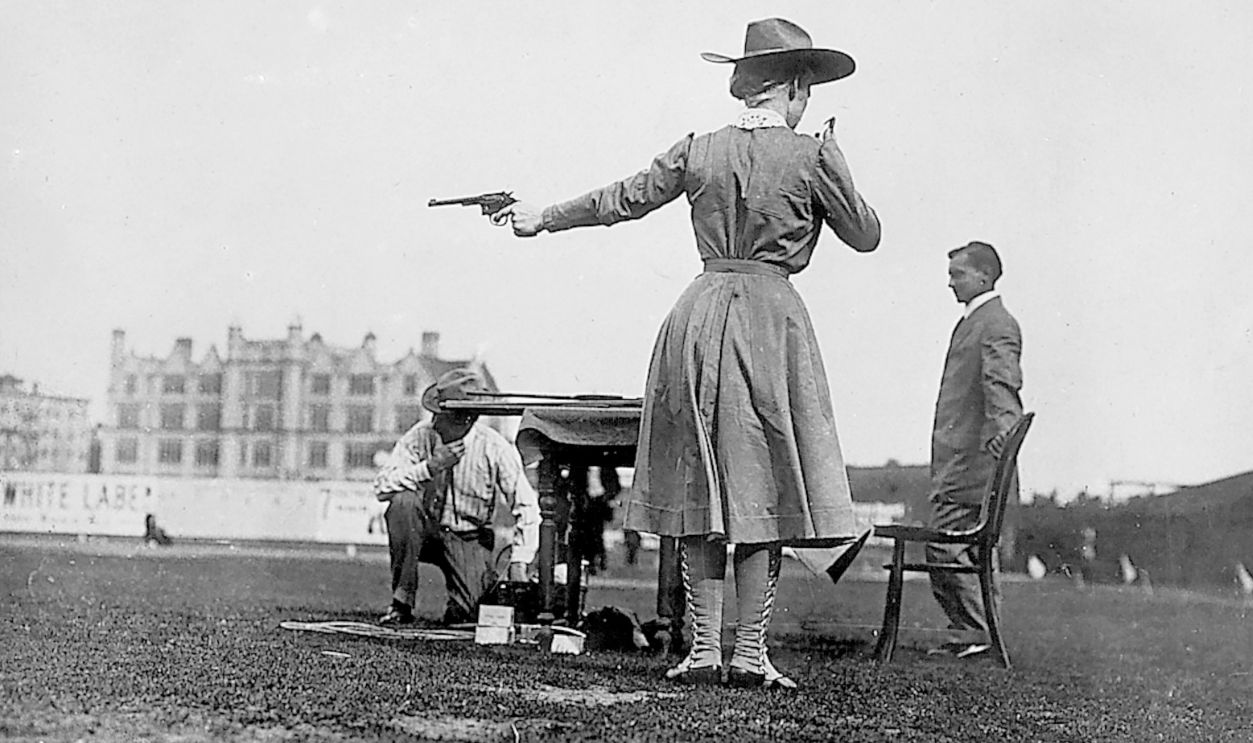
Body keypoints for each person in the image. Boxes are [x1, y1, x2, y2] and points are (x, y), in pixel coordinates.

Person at [499, 18, 880, 688]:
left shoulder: (699, 148)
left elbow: (622, 198)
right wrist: (836, 161)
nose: (808, 99)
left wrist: (543, 216)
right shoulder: (812, 156)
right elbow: (865, 234)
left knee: (700, 485)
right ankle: (746, 654)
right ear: (791, 86)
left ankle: (705, 649)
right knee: (762, 482)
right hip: (769, 321)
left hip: (698, 318)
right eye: (806, 88)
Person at [373, 368, 540, 625]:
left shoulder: (494, 447)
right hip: (424, 531)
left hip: (467, 537)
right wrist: (429, 467)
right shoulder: (419, 436)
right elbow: (382, 486)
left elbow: (527, 507)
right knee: (402, 503)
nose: (435, 422)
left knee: (467, 616)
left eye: (444, 416)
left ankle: (462, 602)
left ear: (468, 419)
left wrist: (519, 561)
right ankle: (401, 602)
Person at [925, 241, 1024, 659]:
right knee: (968, 551)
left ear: (984, 275)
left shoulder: (995, 323)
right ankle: (980, 635)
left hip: (972, 466)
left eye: (957, 274)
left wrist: (1003, 440)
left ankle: (974, 633)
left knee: (943, 544)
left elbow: (1001, 386)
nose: (949, 282)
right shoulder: (977, 320)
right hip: (963, 462)